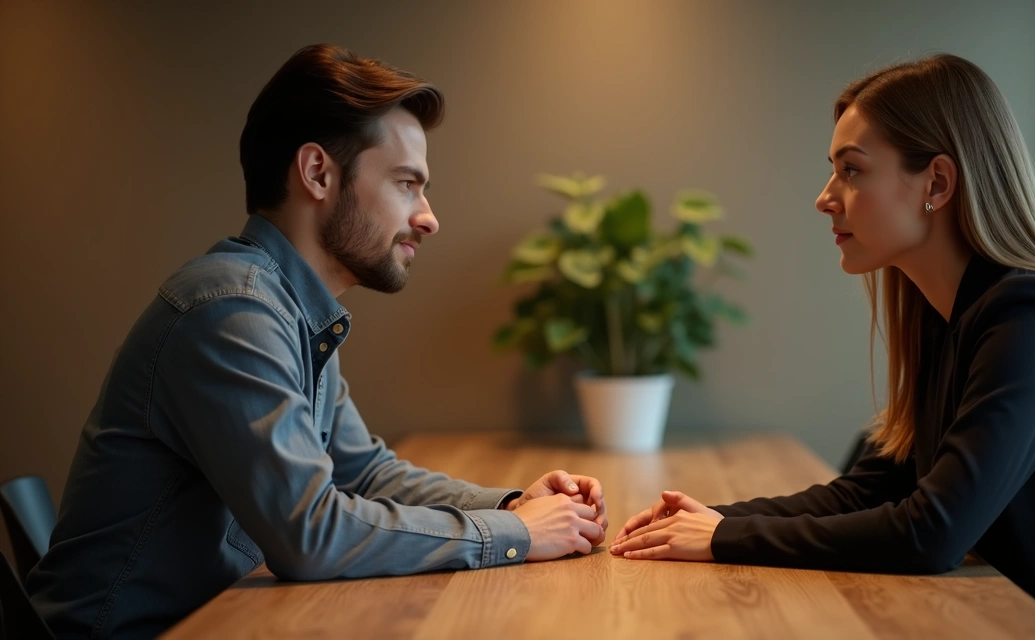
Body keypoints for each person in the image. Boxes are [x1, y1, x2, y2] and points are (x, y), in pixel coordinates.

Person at [611, 54, 1035, 639]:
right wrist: (712, 520)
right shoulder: (947, 315)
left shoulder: (1032, 314)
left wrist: (724, 539)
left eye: (852, 170)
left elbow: (933, 533)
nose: (825, 197)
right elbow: (869, 489)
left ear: (938, 182)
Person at [26, 44, 608, 639]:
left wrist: (512, 505)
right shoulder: (232, 309)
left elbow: (364, 474)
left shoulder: (290, 309)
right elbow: (309, 535)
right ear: (317, 173)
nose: (428, 217)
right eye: (406, 184)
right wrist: (517, 535)